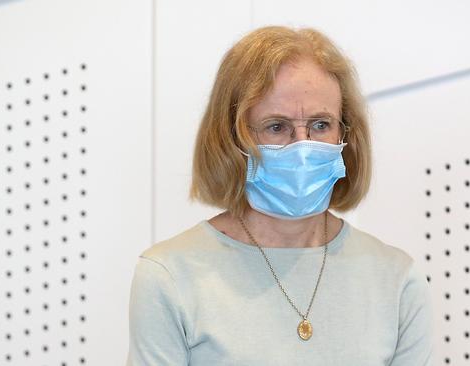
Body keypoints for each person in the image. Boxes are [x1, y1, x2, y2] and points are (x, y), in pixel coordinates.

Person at [126, 25, 434, 365]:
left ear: (345, 134)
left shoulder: (396, 280)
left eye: (320, 125)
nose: (302, 146)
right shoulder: (169, 275)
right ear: (232, 139)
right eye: (277, 126)